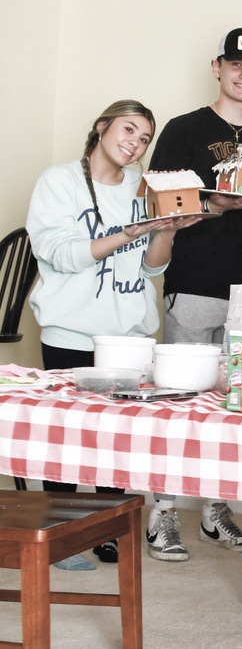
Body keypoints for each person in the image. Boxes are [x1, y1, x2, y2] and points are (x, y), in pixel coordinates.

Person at [25, 100, 200, 569]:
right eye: (128, 130)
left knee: (116, 437)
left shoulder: (144, 191)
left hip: (128, 334)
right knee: (65, 435)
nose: (135, 143)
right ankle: (62, 536)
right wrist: (130, 231)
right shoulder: (58, 182)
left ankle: (104, 530)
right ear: (101, 127)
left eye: (144, 138)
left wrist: (167, 229)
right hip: (72, 329)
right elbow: (63, 255)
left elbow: (153, 266)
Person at [143, 26, 242, 561]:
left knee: (233, 405)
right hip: (194, 280)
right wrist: (213, 204)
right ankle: (164, 514)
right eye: (236, 64)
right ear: (218, 67)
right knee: (179, 403)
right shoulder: (184, 129)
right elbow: (158, 201)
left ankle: (216, 511)